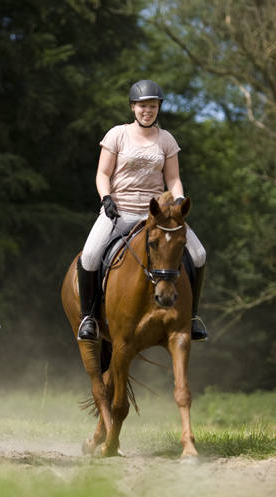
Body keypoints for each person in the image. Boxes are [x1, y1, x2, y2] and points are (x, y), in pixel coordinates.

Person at [77, 80, 208, 342]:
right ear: (132, 107)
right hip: (119, 210)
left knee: (199, 254)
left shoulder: (166, 139)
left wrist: (178, 200)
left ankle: (191, 317)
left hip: (157, 215)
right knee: (89, 256)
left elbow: (173, 178)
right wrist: (106, 199)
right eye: (142, 106)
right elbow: (103, 173)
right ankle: (88, 318)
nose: (147, 111)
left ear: (158, 108)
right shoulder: (117, 134)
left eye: (153, 106)